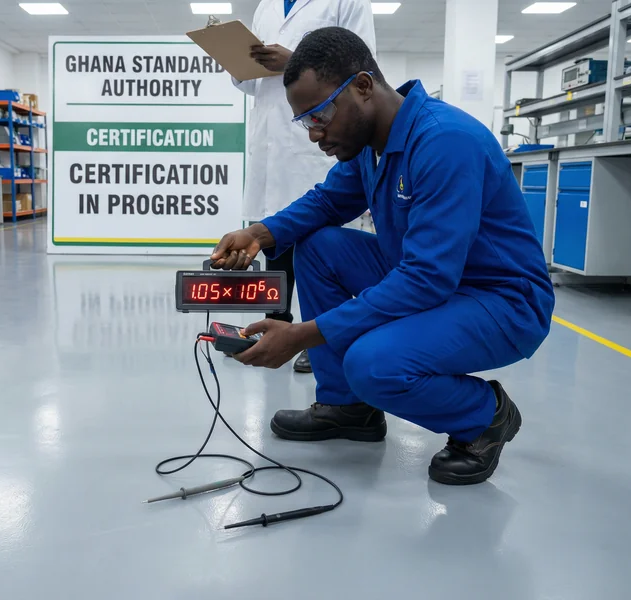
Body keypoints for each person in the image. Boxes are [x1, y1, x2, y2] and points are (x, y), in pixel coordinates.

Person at [210, 27, 555, 485]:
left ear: (363, 86)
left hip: (501, 300)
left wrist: (301, 335)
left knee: (373, 364)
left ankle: (484, 415)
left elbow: (426, 278)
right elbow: (328, 202)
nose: (315, 134)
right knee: (318, 246)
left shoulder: (445, 142)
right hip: (432, 277)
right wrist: (259, 233)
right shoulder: (372, 144)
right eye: (305, 122)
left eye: (320, 114)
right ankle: (347, 407)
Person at [232, 0, 376, 374]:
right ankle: (275, 323)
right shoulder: (265, 7)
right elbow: (253, 86)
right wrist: (238, 65)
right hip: (271, 140)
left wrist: (294, 62)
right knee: (273, 240)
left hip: (312, 141)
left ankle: (319, 334)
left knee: (316, 241)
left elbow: (362, 64)